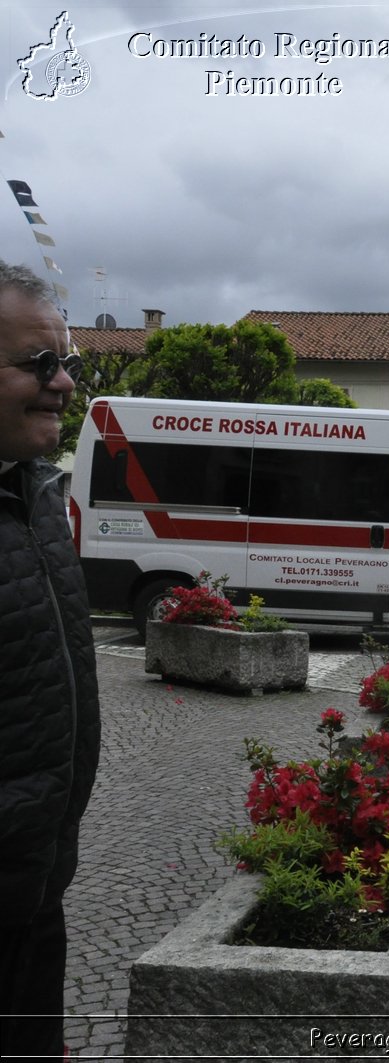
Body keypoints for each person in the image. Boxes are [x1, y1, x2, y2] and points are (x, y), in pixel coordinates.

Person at [0, 262, 100, 1059]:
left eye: (66, 362)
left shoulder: (35, 496)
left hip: (36, 887)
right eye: (38, 363)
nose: (63, 382)